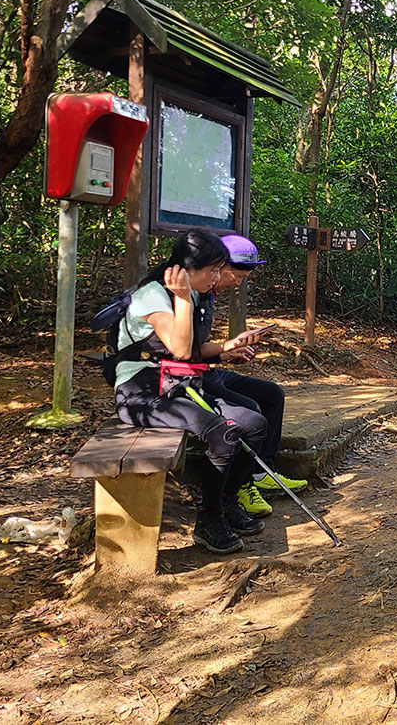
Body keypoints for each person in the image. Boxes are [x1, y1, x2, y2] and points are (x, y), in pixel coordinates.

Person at [112, 229, 270, 554]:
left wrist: (227, 347)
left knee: (254, 424)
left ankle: (225, 503)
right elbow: (182, 350)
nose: (216, 278)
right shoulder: (155, 296)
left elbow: (189, 353)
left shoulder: (192, 295)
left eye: (218, 270)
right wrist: (183, 298)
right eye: (212, 270)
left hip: (175, 384)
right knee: (223, 433)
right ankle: (208, 520)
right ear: (187, 270)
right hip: (140, 393)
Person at [200, 233, 307, 519]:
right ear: (217, 265)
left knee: (272, 394)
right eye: (236, 275)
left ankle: (262, 472)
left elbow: (196, 349)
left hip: (208, 370)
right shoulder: (190, 295)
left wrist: (225, 354)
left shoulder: (207, 295)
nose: (238, 282)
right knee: (251, 411)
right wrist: (226, 348)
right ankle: (239, 487)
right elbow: (179, 351)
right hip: (191, 379)